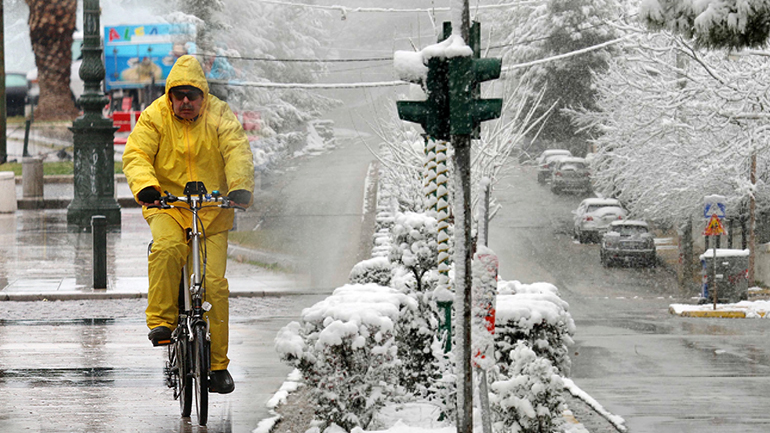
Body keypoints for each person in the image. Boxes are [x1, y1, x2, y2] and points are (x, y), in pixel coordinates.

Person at [122, 55, 255, 394]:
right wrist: (147, 187)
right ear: (170, 96)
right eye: (178, 95)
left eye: (191, 96)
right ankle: (162, 323)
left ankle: (217, 366)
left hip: (212, 211)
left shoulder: (220, 115)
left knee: (214, 286)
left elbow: (237, 149)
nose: (184, 102)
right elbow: (136, 153)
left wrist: (240, 187)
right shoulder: (155, 116)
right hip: (167, 206)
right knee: (167, 248)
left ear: (202, 97)